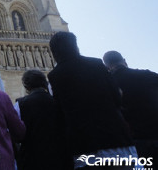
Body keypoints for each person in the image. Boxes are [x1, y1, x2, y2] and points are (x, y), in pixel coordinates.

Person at [48, 32, 136, 169]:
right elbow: (117, 97)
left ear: (54, 52)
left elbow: (59, 112)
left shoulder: (54, 75)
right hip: (115, 138)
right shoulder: (96, 64)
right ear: (75, 47)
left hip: (84, 145)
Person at [103, 51, 158, 161]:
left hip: (134, 143)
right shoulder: (148, 75)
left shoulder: (107, 86)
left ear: (107, 67)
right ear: (124, 61)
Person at [15, 69, 71, 170]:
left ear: (26, 85)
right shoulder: (58, 102)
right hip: (60, 156)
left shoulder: (20, 104)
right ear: (44, 83)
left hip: (32, 159)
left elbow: (17, 133)